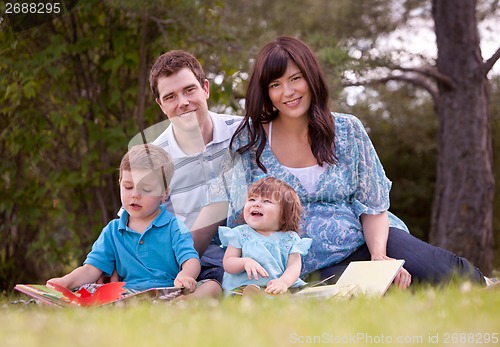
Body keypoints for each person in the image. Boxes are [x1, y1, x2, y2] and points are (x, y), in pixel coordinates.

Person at [197, 36, 488, 289]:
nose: (288, 92)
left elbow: (373, 204)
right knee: (382, 293)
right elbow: (220, 205)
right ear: (266, 92)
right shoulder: (250, 140)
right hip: (302, 264)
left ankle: (486, 285)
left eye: (295, 78)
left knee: (446, 273)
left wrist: (379, 257)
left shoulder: (348, 130)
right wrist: (182, 263)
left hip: (366, 239)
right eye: (276, 84)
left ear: (311, 77)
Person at [48, 144, 221, 299]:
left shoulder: (174, 226)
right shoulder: (113, 230)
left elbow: (191, 259)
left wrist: (186, 276)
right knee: (89, 290)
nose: (135, 195)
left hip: (169, 290)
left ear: (164, 193)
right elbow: (91, 269)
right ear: (120, 183)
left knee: (213, 287)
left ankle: (184, 303)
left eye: (146, 189)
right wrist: (65, 281)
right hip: (127, 294)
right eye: (128, 187)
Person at [148, 50, 241, 285]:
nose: (183, 103)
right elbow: (133, 218)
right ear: (160, 104)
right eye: (170, 97)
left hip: (252, 255)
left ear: (206, 89)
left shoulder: (243, 132)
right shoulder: (154, 157)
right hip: (192, 264)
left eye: (189, 90)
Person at [219, 176, 312, 295]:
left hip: (275, 286)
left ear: (284, 216)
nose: (256, 204)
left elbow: (293, 267)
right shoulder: (240, 233)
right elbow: (228, 263)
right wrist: (245, 262)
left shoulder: (290, 239)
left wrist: (283, 282)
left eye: (267, 201)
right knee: (248, 295)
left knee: (303, 294)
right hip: (242, 288)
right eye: (252, 199)